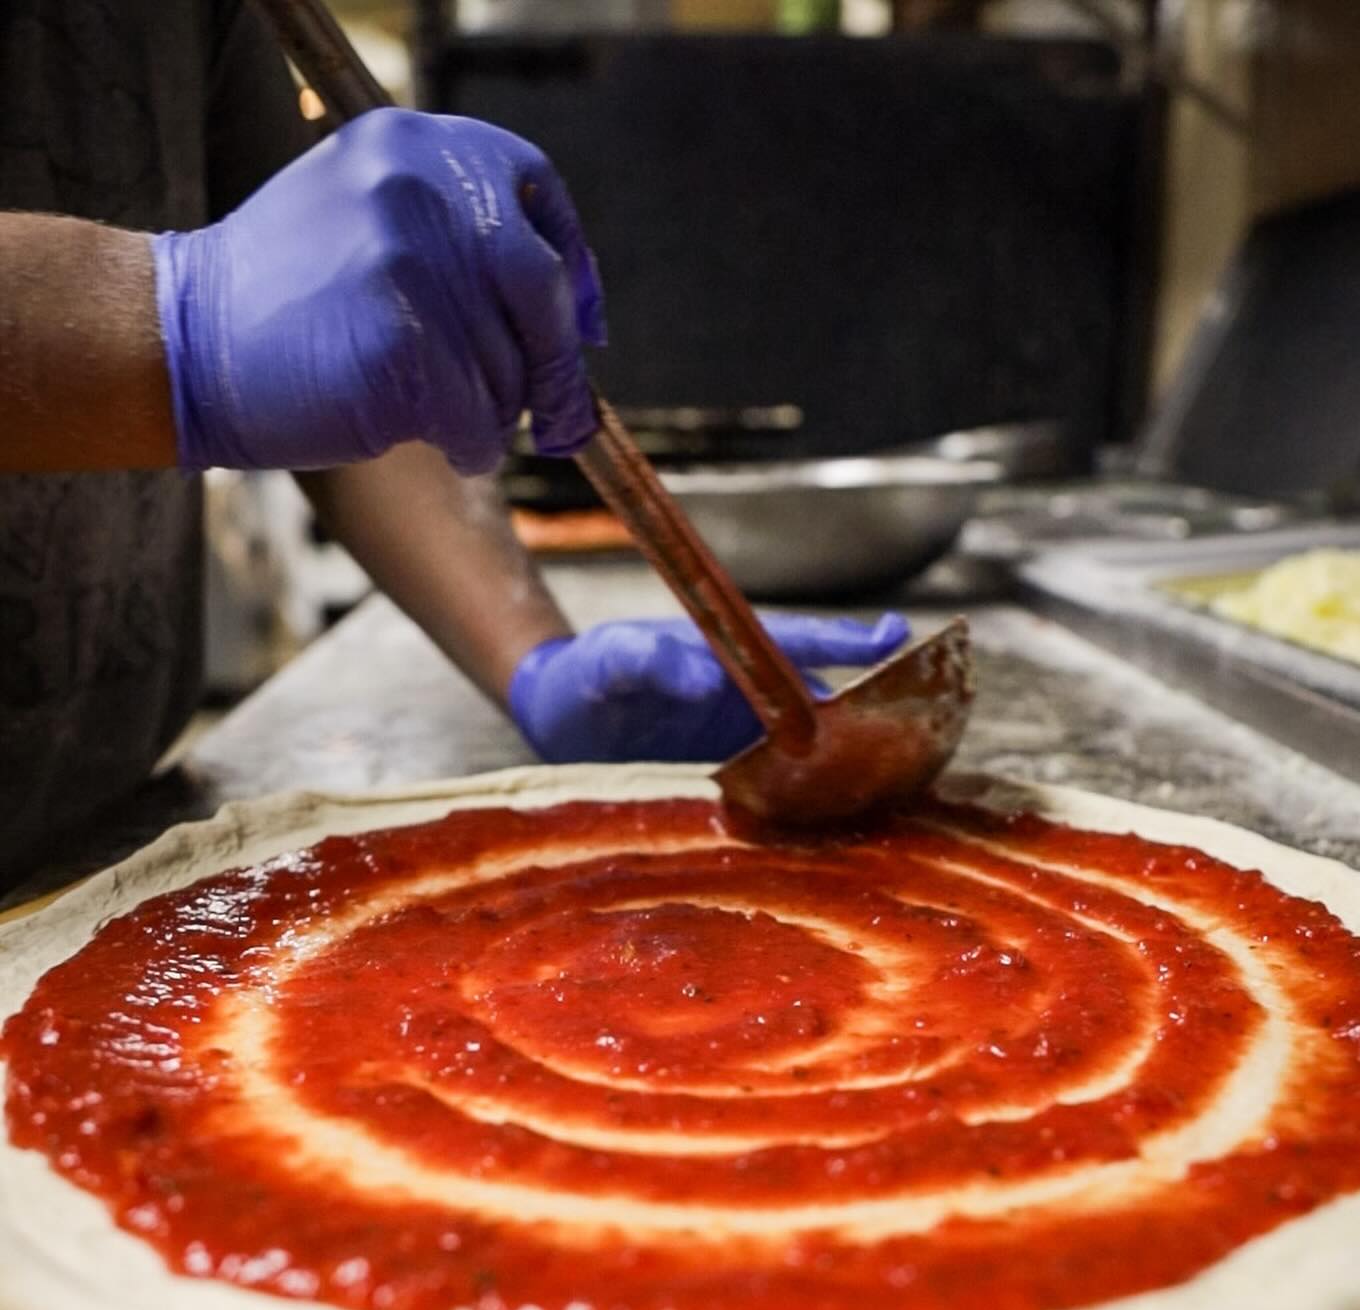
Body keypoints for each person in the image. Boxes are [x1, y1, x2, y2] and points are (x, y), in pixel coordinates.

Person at [0, 0, 907, 885]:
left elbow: (359, 345)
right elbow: (230, 315)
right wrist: (171, 320)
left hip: (111, 814)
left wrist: (529, 658)